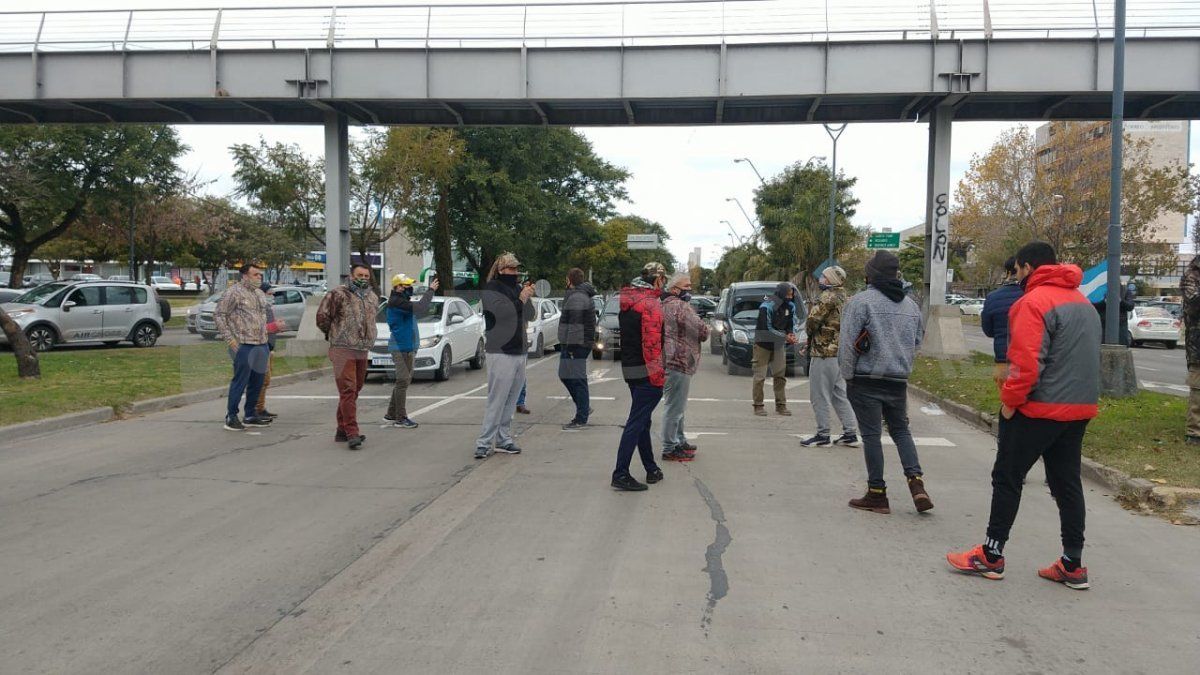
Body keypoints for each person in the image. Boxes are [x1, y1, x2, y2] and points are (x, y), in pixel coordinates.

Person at [948, 241, 1101, 590]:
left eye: (1016, 270)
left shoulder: (1031, 303)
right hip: (1079, 409)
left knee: (1007, 477)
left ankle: (991, 554)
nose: (1015, 276)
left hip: (1038, 408)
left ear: (1028, 268)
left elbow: (1025, 364)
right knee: (1066, 483)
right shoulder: (1083, 303)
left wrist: (1011, 401)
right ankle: (1072, 563)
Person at [838, 250, 932, 515]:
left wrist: (847, 375)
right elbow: (916, 342)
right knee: (901, 431)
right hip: (898, 380)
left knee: (871, 436)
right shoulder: (911, 306)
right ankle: (917, 483)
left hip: (865, 380)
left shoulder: (860, 302)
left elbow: (847, 344)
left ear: (871, 275)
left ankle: (877, 493)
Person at [611, 262, 668, 491]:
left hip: (631, 368)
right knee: (636, 422)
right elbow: (652, 345)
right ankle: (620, 473)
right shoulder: (650, 304)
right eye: (663, 280)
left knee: (642, 420)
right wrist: (658, 376)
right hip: (647, 370)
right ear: (656, 280)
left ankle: (651, 469)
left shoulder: (628, 301)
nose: (664, 284)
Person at [475, 253, 535, 459]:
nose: (515, 273)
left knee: (511, 398)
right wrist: (521, 298)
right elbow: (504, 313)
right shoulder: (492, 288)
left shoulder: (517, 288)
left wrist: (526, 298)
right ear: (501, 270)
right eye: (511, 269)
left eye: (517, 269)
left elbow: (530, 315)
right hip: (500, 349)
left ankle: (503, 438)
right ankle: (484, 442)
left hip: (519, 349)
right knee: (497, 398)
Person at [315, 264, 381, 451]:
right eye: (359, 275)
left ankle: (341, 429)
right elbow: (322, 317)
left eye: (367, 275)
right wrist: (335, 334)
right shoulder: (338, 294)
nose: (363, 278)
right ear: (351, 276)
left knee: (355, 390)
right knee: (348, 390)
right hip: (342, 348)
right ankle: (352, 432)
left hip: (362, 348)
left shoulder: (372, 297)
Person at [213, 264, 278, 431]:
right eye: (255, 275)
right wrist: (229, 339)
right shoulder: (233, 292)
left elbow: (262, 318)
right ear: (245, 276)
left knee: (257, 382)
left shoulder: (258, 293)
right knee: (240, 381)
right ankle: (231, 416)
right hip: (244, 344)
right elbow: (219, 314)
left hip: (261, 343)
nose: (259, 278)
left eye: (260, 275)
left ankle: (250, 414)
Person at [800, 265, 859, 447]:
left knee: (819, 394)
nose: (821, 279)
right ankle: (850, 432)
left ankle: (823, 434)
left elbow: (812, 322)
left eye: (824, 277)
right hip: (841, 352)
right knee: (839, 394)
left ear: (832, 279)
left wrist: (808, 338)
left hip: (824, 352)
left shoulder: (827, 297)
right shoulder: (845, 297)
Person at [660, 271, 708, 461]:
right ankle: (670, 447)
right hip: (680, 361)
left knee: (677, 405)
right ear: (674, 289)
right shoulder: (681, 306)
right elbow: (702, 331)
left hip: (670, 359)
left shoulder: (663, 304)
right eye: (686, 286)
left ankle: (679, 440)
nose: (690, 289)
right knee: (675, 407)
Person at [384, 273, 439, 429]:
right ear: (398, 287)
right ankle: (400, 418)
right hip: (400, 348)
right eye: (407, 285)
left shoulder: (402, 300)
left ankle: (391, 413)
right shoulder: (396, 302)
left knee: (404, 381)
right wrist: (430, 290)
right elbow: (421, 307)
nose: (411, 288)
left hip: (407, 347)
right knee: (402, 381)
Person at [751, 282, 801, 416]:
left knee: (780, 376)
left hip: (778, 346)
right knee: (760, 376)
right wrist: (785, 337)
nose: (790, 297)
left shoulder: (790, 306)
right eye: (788, 295)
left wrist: (790, 333)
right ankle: (758, 405)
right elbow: (766, 329)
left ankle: (781, 405)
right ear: (781, 293)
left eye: (792, 295)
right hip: (763, 344)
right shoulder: (766, 306)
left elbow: (791, 322)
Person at [558, 267, 597, 430]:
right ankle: (584, 407)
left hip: (576, 344)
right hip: (576, 342)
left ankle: (581, 417)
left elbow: (575, 324)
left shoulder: (578, 297)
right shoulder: (577, 294)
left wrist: (571, 346)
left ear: (570, 279)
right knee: (564, 375)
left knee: (578, 380)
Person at [981, 257, 1023, 389]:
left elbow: (988, 331)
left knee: (1007, 398)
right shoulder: (1032, 294)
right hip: (1030, 358)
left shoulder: (993, 297)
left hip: (1003, 359)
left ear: (1008, 272)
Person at [253, 281, 288, 420]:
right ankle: (256, 409)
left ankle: (260, 408)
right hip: (261, 347)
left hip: (269, 347)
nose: (272, 296)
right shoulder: (259, 308)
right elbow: (257, 328)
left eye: (273, 294)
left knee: (266, 381)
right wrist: (275, 326)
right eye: (269, 294)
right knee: (261, 380)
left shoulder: (268, 307)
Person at [1182, 255, 1200, 444]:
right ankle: (1194, 431)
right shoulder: (1192, 275)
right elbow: (1193, 303)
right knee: (1198, 386)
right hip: (1198, 339)